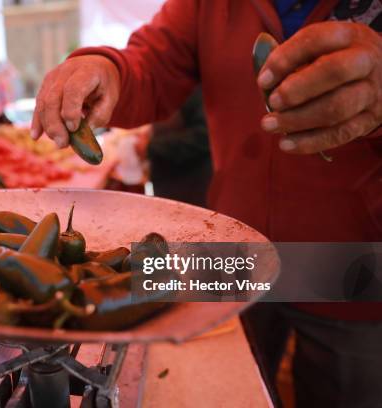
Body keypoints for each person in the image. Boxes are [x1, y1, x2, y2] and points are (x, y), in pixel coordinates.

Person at [31, 1, 382, 406]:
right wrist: (106, 67)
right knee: (213, 387)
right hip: (233, 250)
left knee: (351, 390)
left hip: (357, 262)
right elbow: (152, 61)